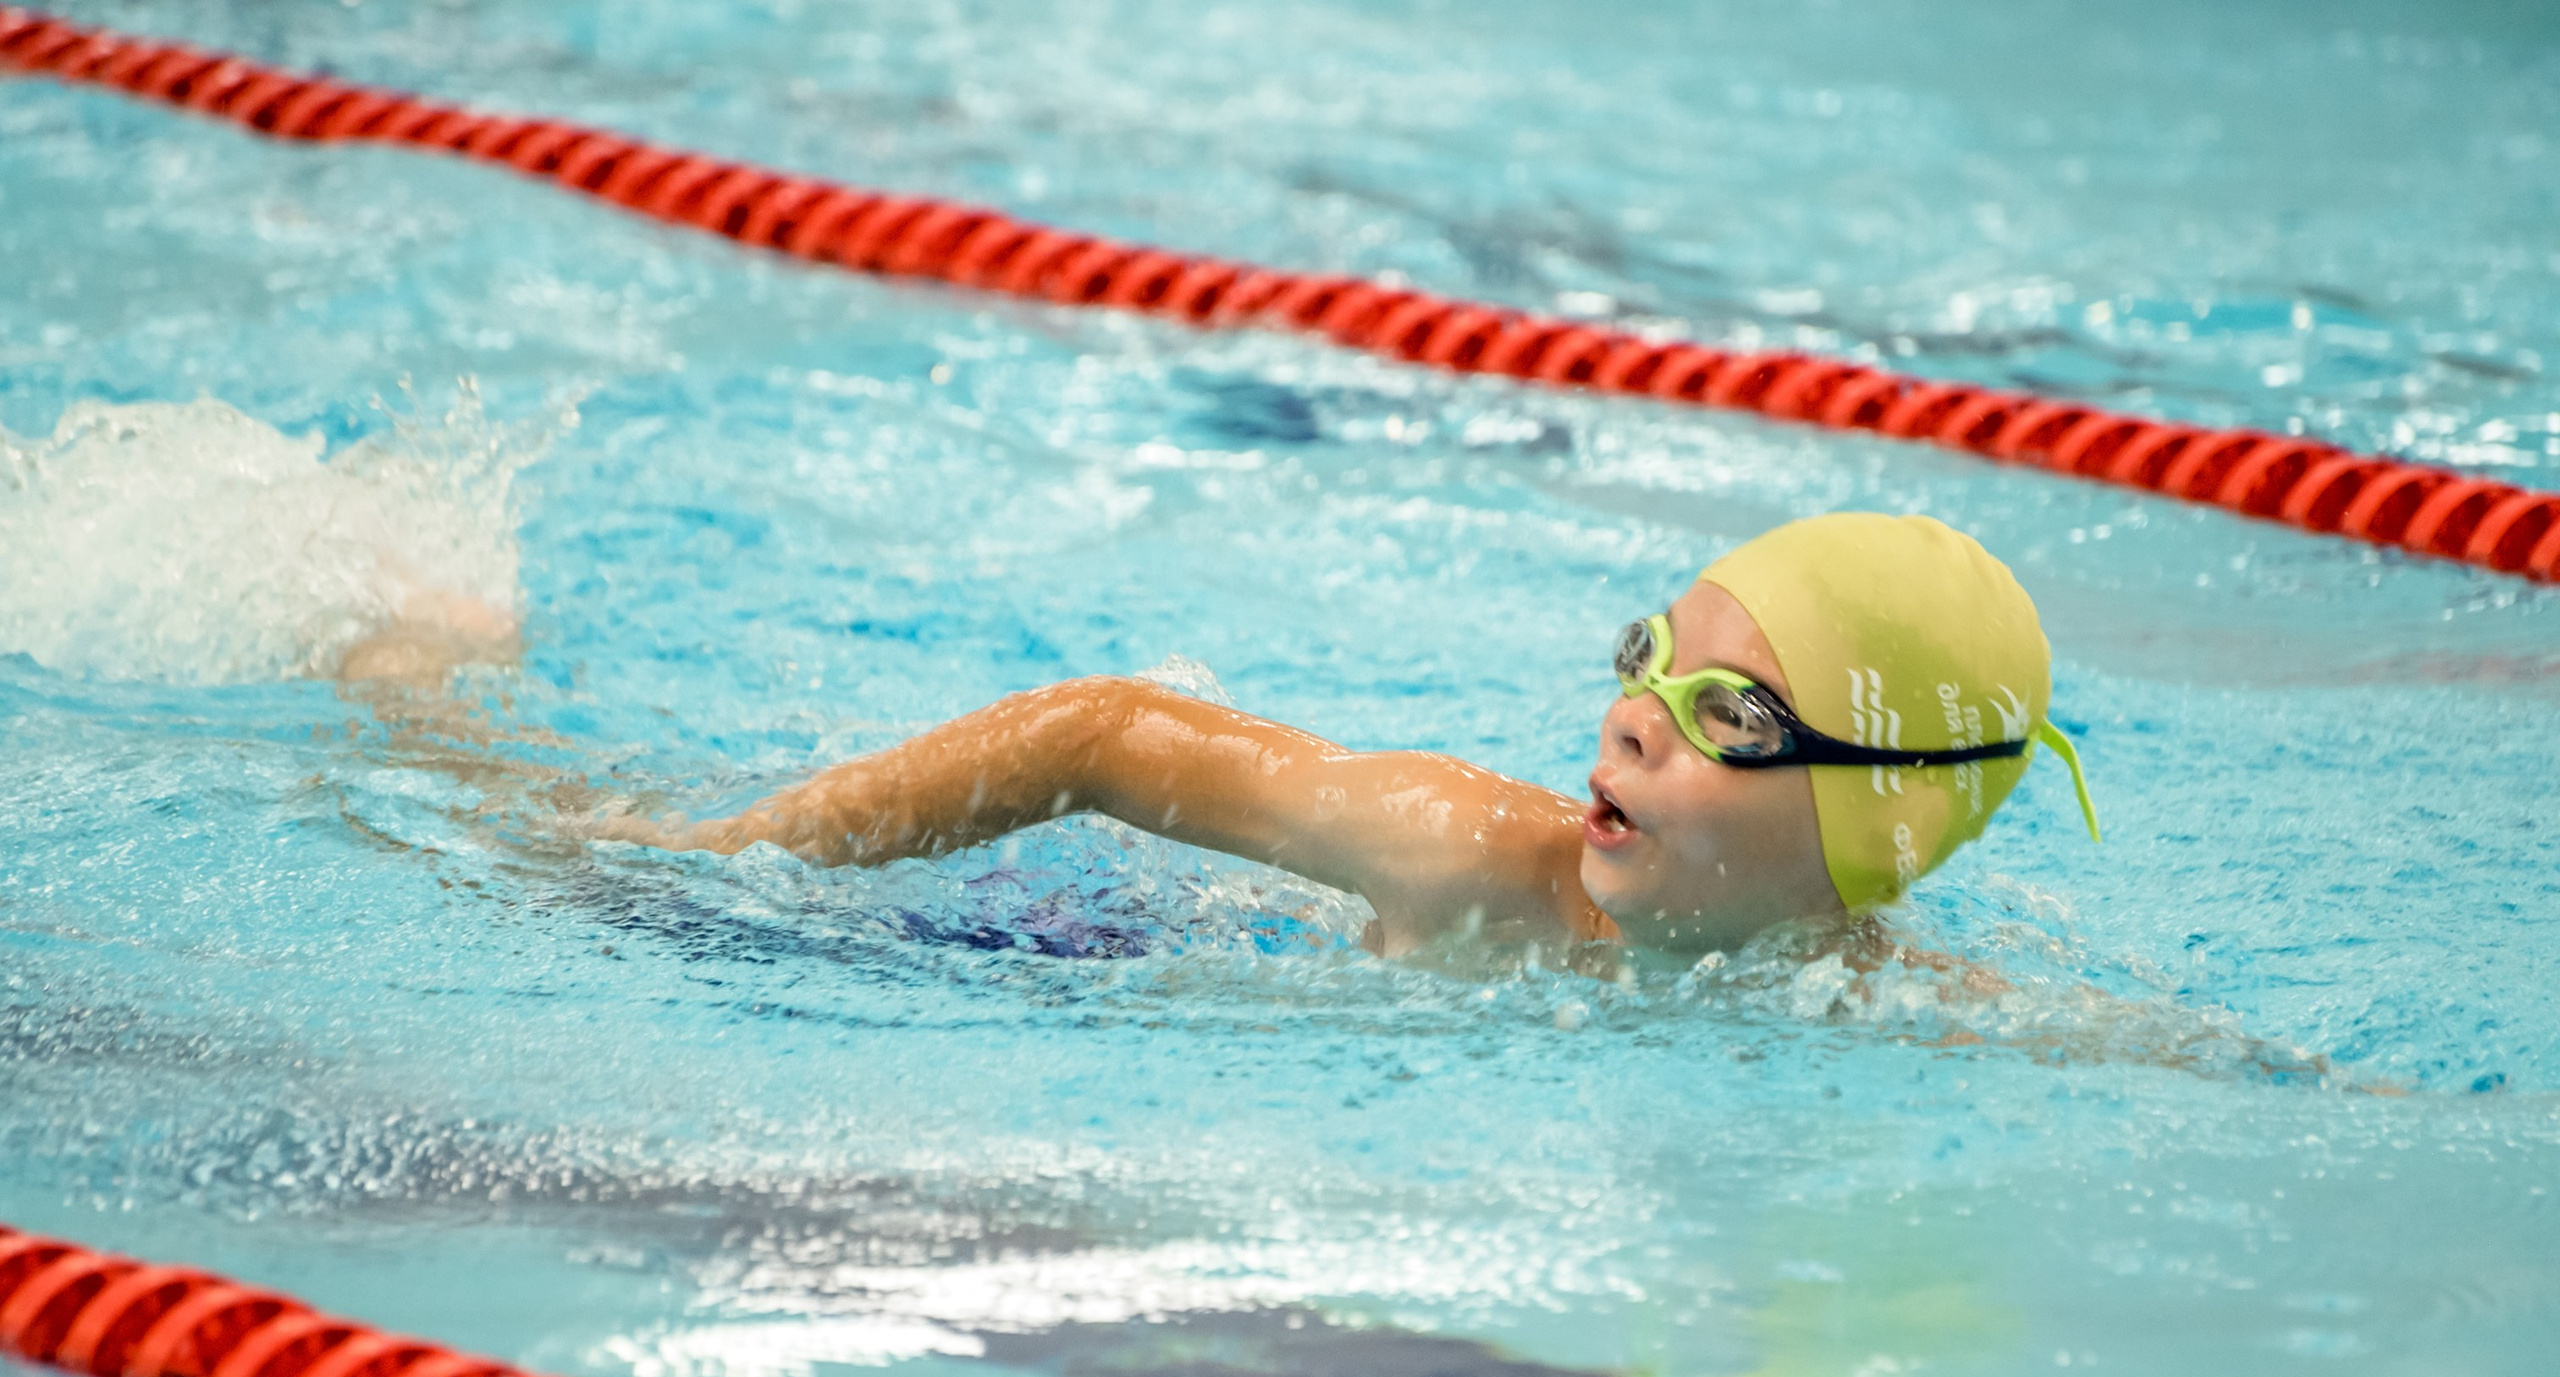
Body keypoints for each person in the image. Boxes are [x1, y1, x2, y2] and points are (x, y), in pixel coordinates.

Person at [601, 512, 2101, 962]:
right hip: (1048, 930)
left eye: (1728, 716)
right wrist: (725, 858)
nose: (1629, 723)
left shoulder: (1890, 997)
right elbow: (1102, 733)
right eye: (1647, 660)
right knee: (583, 838)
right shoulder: (1467, 859)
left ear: (1881, 827)